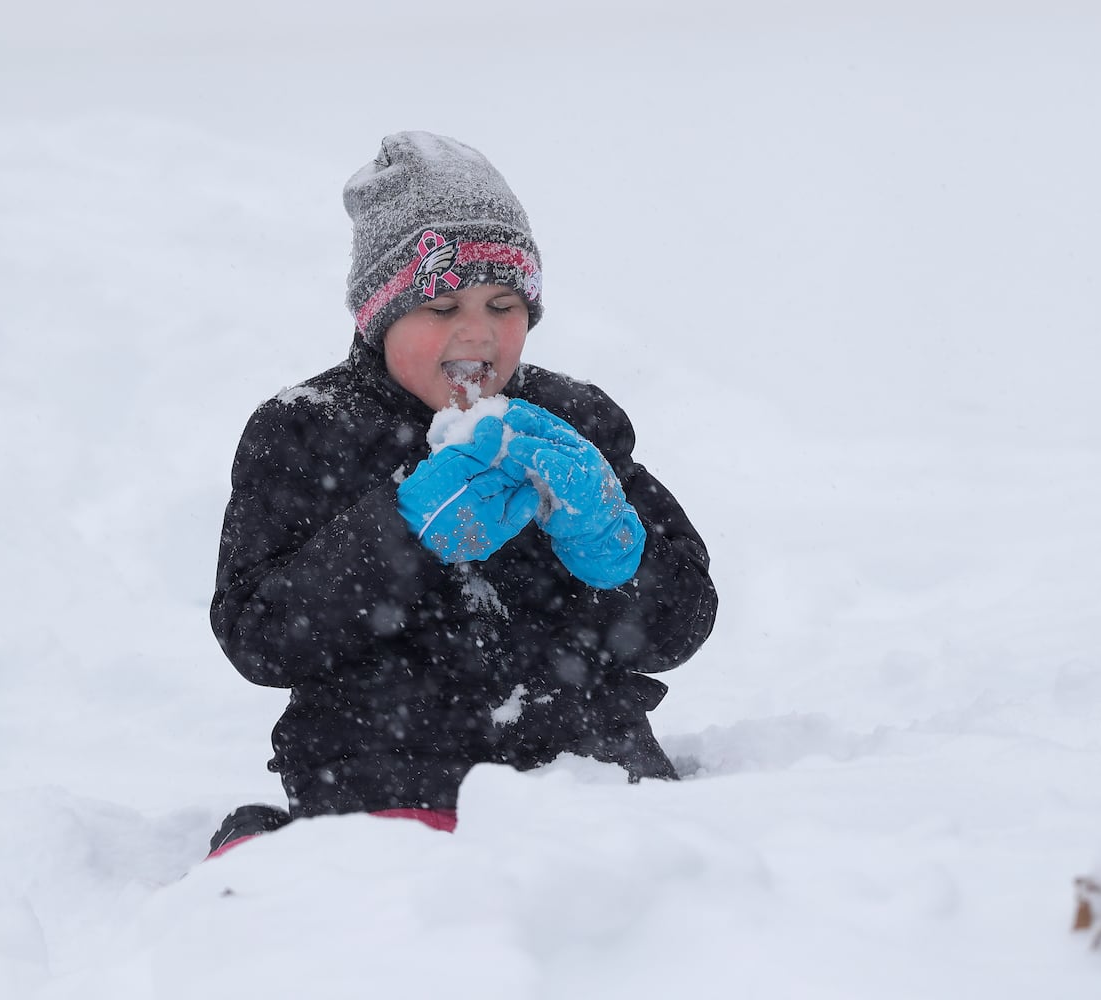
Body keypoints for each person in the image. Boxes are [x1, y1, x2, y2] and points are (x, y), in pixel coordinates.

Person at [205, 132, 717, 858]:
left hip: (588, 770)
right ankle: (273, 857)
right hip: (383, 774)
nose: (477, 332)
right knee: (390, 897)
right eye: (441, 307)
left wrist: (612, 548)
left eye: (504, 305)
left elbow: (676, 629)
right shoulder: (306, 428)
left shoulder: (571, 423)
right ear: (378, 315)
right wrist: (402, 535)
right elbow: (259, 638)